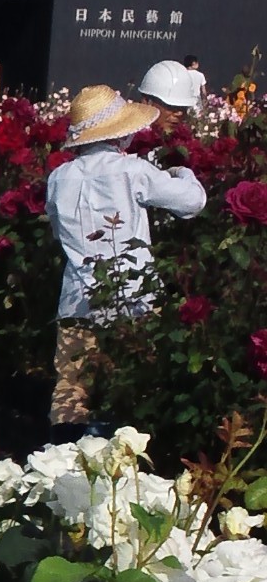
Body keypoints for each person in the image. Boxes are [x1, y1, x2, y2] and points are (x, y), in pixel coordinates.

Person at [45, 84, 206, 437]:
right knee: (134, 382)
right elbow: (191, 203)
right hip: (133, 297)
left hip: (76, 299)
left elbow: (58, 232)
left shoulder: (59, 177)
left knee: (71, 388)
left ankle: (62, 458)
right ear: (120, 133)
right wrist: (184, 174)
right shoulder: (131, 170)